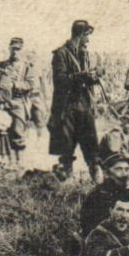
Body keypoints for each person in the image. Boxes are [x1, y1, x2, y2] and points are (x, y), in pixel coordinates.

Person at [49, 20, 101, 181]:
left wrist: (93, 76)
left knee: (91, 143)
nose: (88, 40)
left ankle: (97, 181)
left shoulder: (84, 54)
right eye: (87, 36)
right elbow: (60, 80)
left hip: (84, 105)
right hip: (67, 106)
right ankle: (67, 182)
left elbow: (85, 78)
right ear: (80, 35)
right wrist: (82, 76)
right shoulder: (60, 54)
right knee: (66, 146)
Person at [80, 151, 129, 238]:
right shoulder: (96, 197)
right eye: (119, 169)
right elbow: (94, 231)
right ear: (106, 173)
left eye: (127, 169)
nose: (125, 174)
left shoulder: (128, 193)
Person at [0, 37, 42, 129]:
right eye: (13, 49)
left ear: (22, 50)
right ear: (9, 49)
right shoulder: (2, 65)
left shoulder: (27, 67)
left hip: (17, 101)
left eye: (18, 49)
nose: (15, 52)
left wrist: (15, 84)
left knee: (17, 133)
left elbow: (30, 84)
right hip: (1, 100)